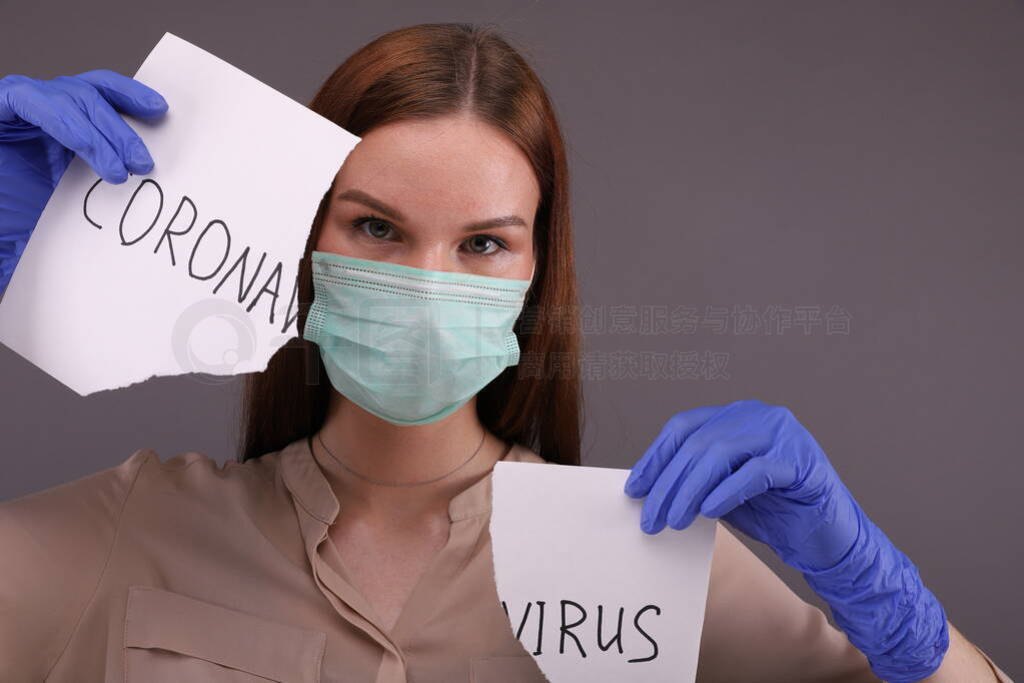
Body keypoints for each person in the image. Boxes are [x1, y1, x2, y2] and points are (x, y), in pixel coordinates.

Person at [0, 22, 1013, 683]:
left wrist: (891, 605)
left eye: (481, 243)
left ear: (537, 266)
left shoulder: (640, 558)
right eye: (376, 228)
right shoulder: (137, 528)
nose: (429, 282)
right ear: (302, 234)